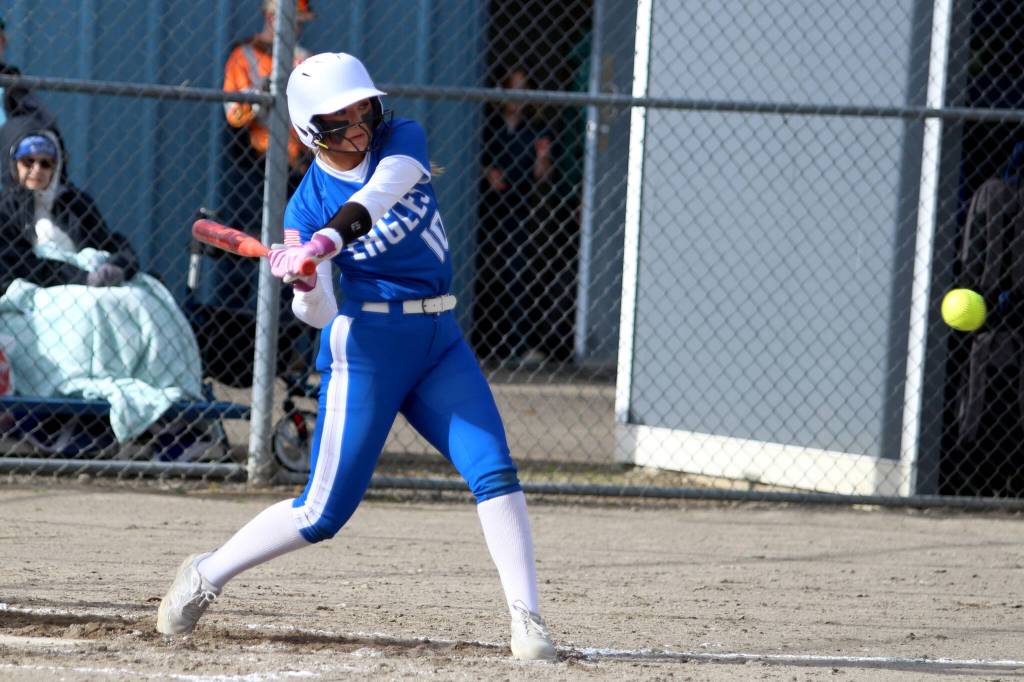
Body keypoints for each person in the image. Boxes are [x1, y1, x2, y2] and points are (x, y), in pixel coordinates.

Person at [157, 52, 557, 662]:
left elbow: (375, 198)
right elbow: (317, 318)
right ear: (308, 130)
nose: (358, 126)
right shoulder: (303, 209)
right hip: (366, 348)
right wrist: (306, 279)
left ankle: (527, 622)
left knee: (494, 468)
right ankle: (207, 573)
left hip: (440, 338)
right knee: (321, 514)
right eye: (338, 119)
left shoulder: (403, 140)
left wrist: (324, 242)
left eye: (360, 109)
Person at [0, 116, 138, 291]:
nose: (37, 170)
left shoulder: (76, 204)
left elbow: (110, 243)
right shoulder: (4, 210)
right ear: (12, 163)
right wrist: (82, 278)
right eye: (28, 161)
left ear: (56, 167)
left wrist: (118, 267)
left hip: (92, 288)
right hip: (40, 292)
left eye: (45, 163)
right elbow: (18, 262)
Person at [474, 67, 553, 365]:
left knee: (517, 272)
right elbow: (475, 158)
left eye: (523, 91)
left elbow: (542, 178)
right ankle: (482, 342)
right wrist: (487, 172)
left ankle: (517, 344)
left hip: (518, 207)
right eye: (512, 90)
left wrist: (543, 157)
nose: (516, 99)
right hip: (487, 207)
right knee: (483, 269)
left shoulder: (534, 132)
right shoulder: (488, 127)